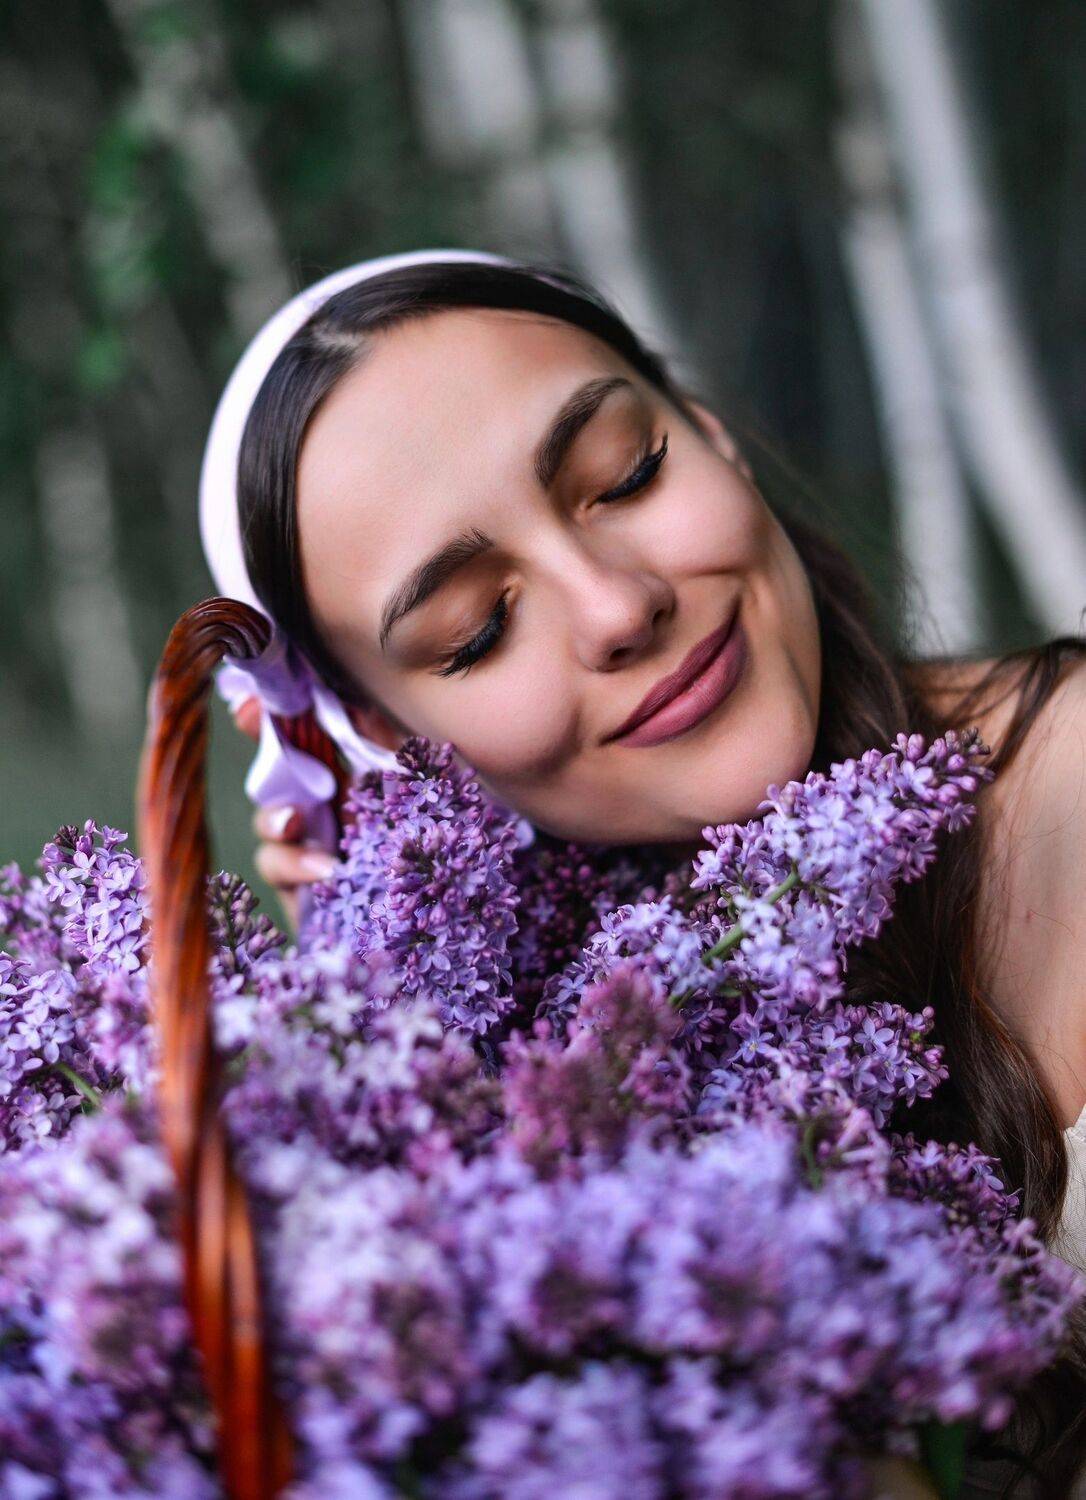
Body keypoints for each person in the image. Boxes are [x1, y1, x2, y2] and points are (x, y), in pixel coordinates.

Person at [201, 249, 1086, 1497]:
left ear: (711, 436)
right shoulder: (546, 1084)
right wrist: (364, 983)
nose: (617, 607)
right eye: (477, 632)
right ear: (392, 740)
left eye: (627, 474)